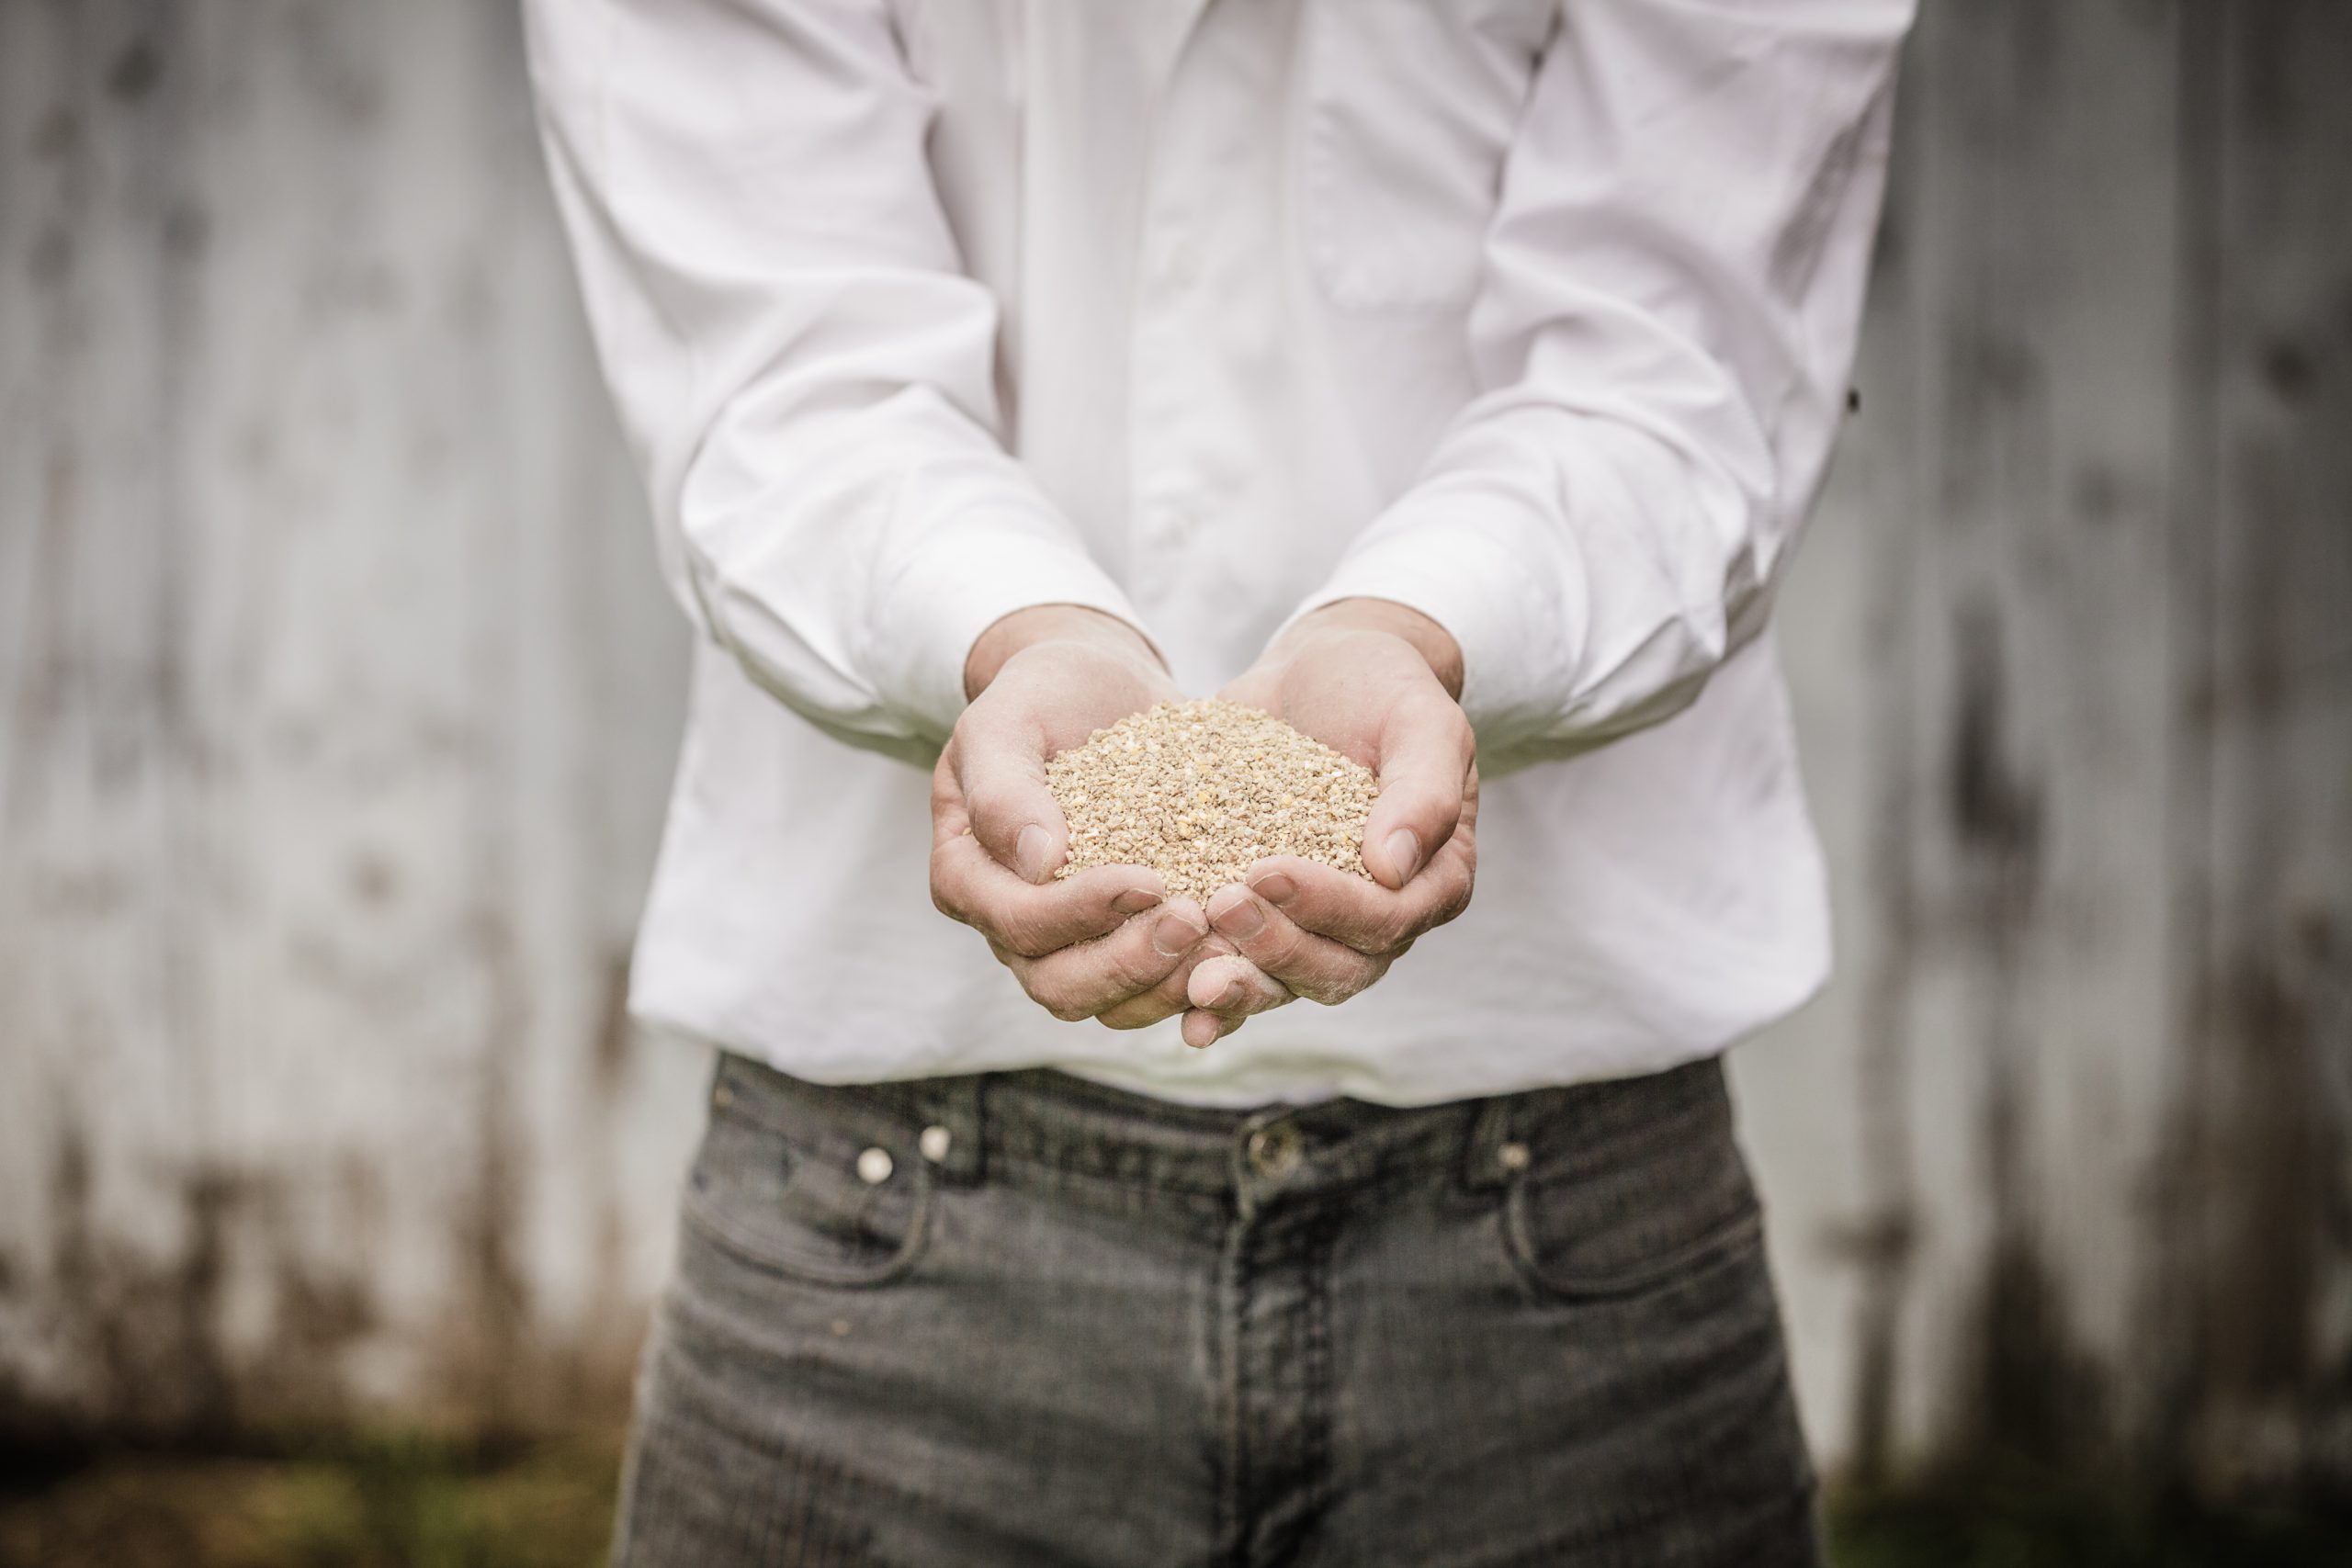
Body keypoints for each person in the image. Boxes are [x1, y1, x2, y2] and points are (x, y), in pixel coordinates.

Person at [526, 0, 1913, 1561]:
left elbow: (1682, 367)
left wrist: (1423, 628)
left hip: (1561, 1225)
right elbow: (780, 375)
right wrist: (1010, 631)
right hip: (884, 1228)